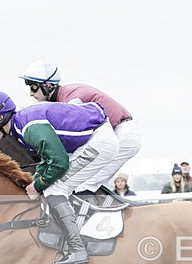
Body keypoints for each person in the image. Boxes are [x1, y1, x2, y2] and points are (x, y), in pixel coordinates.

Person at [0, 90, 118, 264]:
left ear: (1, 117)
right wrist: (35, 180)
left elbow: (59, 163)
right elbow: (46, 160)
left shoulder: (28, 128)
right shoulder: (20, 126)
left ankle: (77, 248)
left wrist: (39, 185)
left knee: (54, 189)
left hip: (99, 142)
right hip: (95, 137)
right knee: (53, 186)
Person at [19, 61, 142, 194]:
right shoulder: (63, 96)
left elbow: (77, 136)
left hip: (122, 133)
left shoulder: (71, 99)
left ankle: (81, 214)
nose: (31, 94)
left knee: (78, 183)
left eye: (34, 87)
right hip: (117, 132)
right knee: (76, 180)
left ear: (48, 86)